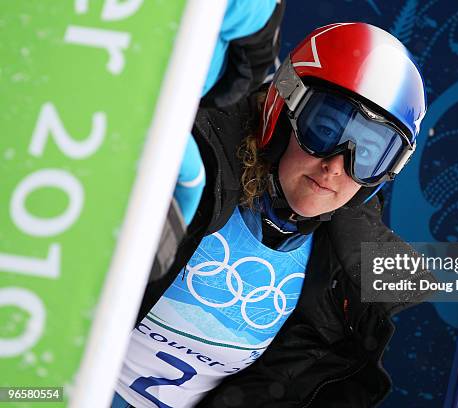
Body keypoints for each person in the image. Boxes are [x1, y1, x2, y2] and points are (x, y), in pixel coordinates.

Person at [114, 22, 428, 408]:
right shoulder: (192, 167)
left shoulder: (340, 265)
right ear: (282, 108)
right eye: (324, 129)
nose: (334, 165)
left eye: (367, 155)